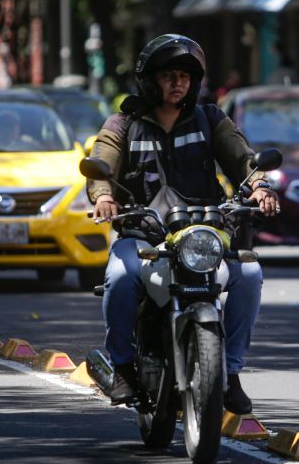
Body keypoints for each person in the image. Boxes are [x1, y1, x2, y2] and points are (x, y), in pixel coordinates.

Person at [85, 34, 280, 415]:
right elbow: (102, 162)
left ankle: (231, 371)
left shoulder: (210, 119)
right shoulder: (124, 123)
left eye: (185, 77)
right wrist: (104, 196)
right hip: (144, 234)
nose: (178, 84)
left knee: (251, 274)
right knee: (120, 278)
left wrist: (259, 186)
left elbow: (243, 158)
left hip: (204, 232)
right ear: (149, 79)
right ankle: (122, 366)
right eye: (169, 75)